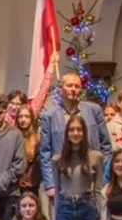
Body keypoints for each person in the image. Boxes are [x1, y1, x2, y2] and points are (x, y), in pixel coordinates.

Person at [38, 72, 111, 201]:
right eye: (69, 85)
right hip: (62, 178)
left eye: (77, 86)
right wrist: (50, 184)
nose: (73, 89)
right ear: (60, 89)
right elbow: (45, 152)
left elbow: (106, 145)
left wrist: (103, 178)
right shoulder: (49, 116)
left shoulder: (94, 110)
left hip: (91, 177)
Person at [15, 105, 42, 198]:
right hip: (15, 185)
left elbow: (40, 161)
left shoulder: (38, 138)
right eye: (20, 116)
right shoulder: (12, 136)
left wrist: (32, 180)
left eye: (27, 116)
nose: (23, 120)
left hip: (33, 185)